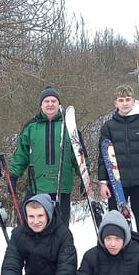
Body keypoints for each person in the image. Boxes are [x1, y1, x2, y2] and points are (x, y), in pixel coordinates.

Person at [9, 86, 87, 225]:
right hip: (37, 187)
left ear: (59, 104)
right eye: (46, 101)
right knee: (29, 225)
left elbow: (79, 155)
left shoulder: (69, 126)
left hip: (62, 187)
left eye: (53, 101)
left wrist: (84, 178)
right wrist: (13, 176)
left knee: (60, 229)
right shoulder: (31, 127)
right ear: (41, 105)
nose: (50, 104)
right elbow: (21, 154)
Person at [97, 85, 139, 252]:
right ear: (115, 103)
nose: (124, 103)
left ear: (133, 101)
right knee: (116, 218)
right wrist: (103, 182)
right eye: (121, 100)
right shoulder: (108, 127)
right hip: (117, 183)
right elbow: (103, 157)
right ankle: (118, 249)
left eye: (127, 100)